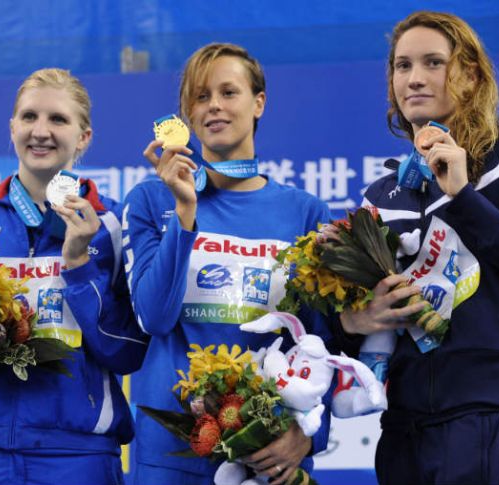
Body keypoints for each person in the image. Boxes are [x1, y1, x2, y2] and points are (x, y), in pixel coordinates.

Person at [328, 11, 499, 485]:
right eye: (402, 65)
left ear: (470, 76)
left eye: (433, 63)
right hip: (402, 430)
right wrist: (352, 322)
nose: (414, 78)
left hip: (492, 418)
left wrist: (463, 196)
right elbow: (353, 331)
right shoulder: (381, 196)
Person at [0, 68, 148, 485]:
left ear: (84, 136)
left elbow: (127, 353)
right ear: (12, 127)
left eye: (58, 119)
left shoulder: (111, 227)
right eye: (29, 117)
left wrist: (78, 265)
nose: (41, 131)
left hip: (78, 457)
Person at [122, 43, 335, 485]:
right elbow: (154, 318)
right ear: (186, 115)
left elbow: (321, 344)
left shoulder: (305, 212)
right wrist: (184, 214)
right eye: (201, 97)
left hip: (268, 454)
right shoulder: (150, 200)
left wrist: (308, 434)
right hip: (171, 456)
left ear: (259, 102)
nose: (214, 106)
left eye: (228, 92)